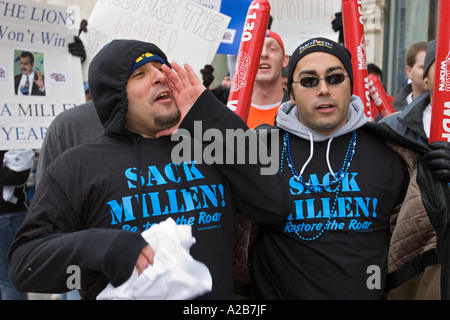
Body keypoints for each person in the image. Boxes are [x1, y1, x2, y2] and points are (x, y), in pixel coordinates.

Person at [8, 39, 292, 300]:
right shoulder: (76, 166)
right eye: (139, 74)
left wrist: (209, 115)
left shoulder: (208, 145)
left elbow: (275, 204)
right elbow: (25, 267)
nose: (160, 75)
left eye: (161, 68)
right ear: (114, 95)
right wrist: (102, 248)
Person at [247, 37, 450, 299]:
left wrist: (441, 187)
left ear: (350, 86)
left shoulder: (396, 153)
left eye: (334, 78)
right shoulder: (258, 152)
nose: (323, 89)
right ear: (292, 93)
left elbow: (424, 237)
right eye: (309, 81)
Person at [1, 149, 35, 300]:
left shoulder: (14, 136)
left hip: (9, 216)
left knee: (11, 279)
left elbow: (18, 175)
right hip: (8, 215)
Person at [246, 30, 290, 129]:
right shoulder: (231, 111)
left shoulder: (298, 113)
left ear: (284, 60)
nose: (264, 53)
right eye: (256, 48)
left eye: (272, 49)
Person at [392, 42, 428, 111]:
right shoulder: (391, 114)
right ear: (409, 71)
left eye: (435, 68)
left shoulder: (445, 114)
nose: (429, 72)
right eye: (423, 67)